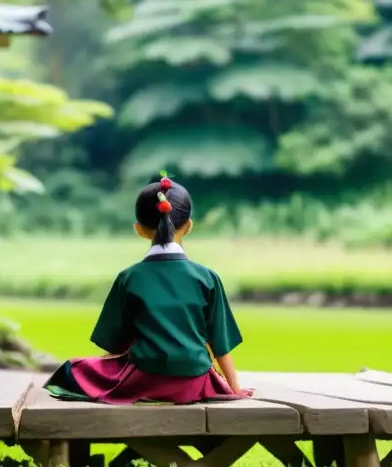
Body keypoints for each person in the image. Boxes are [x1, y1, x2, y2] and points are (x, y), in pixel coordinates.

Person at [44, 174, 253, 405]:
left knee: (74, 368)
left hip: (143, 380)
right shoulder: (208, 277)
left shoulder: (129, 278)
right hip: (194, 383)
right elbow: (220, 343)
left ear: (139, 229)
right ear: (189, 226)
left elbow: (113, 342)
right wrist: (234, 388)